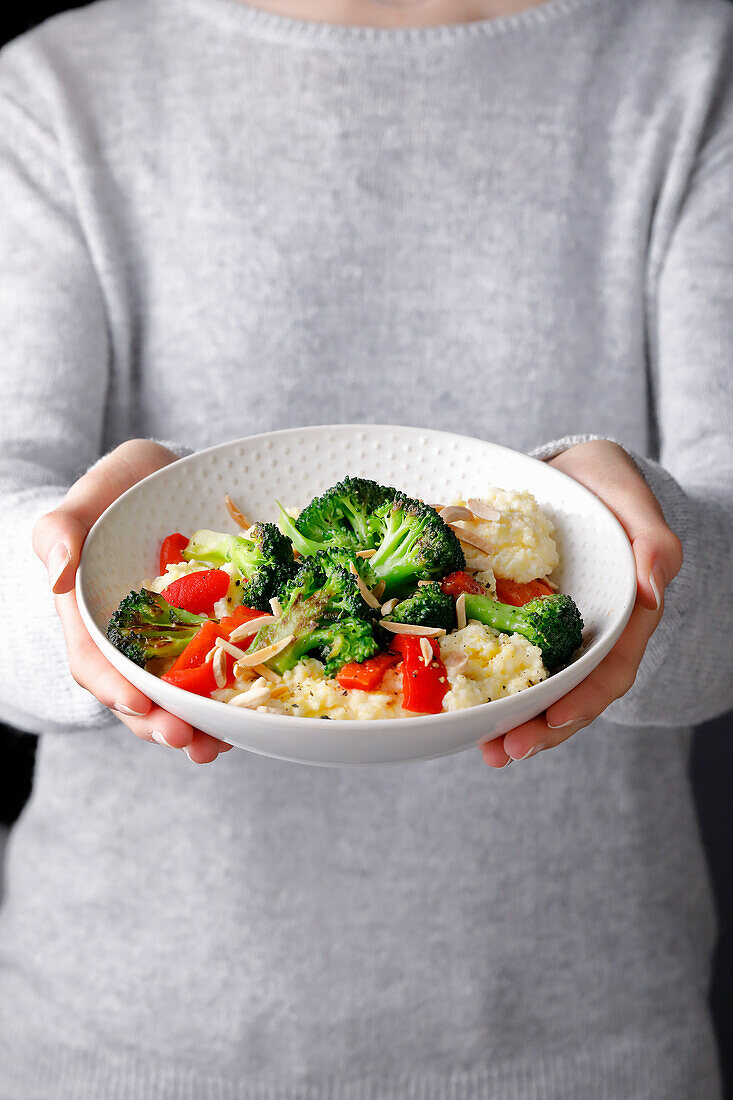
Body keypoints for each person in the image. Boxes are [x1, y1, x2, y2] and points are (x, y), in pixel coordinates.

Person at [0, 0, 731, 1095]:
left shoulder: (690, 63)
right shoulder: (60, 85)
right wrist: (70, 588)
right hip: (120, 1045)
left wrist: (640, 555)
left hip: (587, 1043)